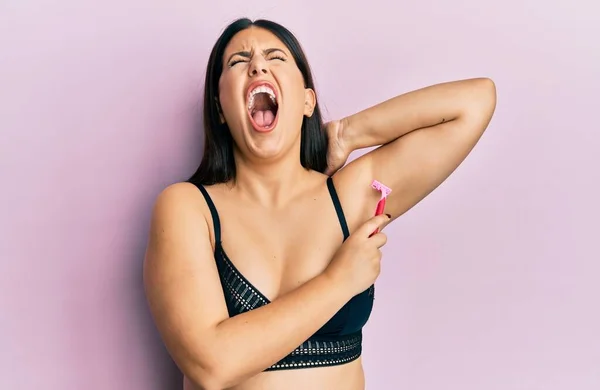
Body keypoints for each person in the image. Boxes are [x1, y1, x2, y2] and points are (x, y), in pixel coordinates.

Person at [143, 17, 496, 390]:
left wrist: (348, 132)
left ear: (307, 100)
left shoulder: (347, 197)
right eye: (237, 61)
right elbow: (211, 365)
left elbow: (474, 102)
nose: (257, 65)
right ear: (219, 108)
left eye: (275, 57)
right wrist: (338, 281)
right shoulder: (188, 208)